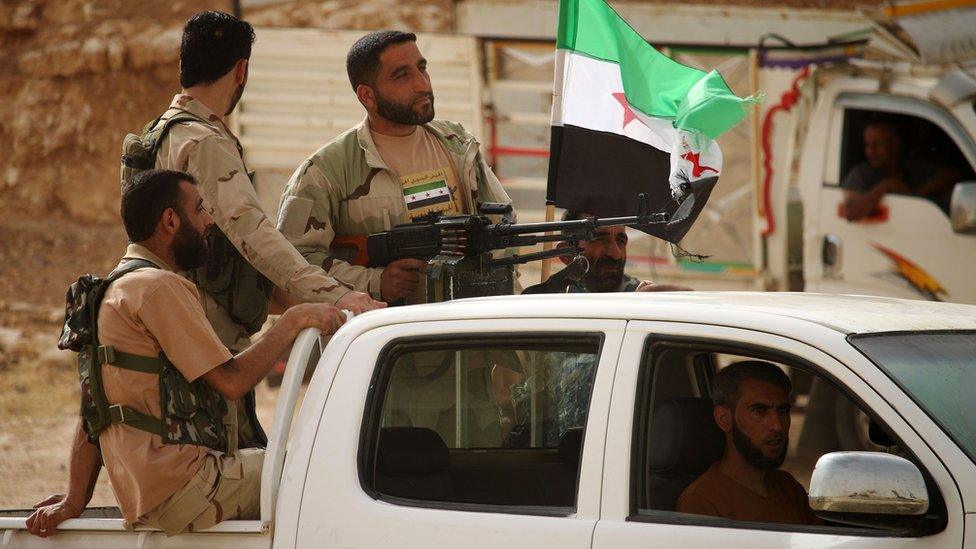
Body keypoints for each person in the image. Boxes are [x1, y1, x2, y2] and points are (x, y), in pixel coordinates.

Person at [26, 170, 347, 538]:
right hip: (188, 487)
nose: (210, 220)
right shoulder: (159, 288)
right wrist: (293, 320)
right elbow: (231, 380)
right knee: (313, 475)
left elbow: (94, 411)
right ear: (170, 220)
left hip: (148, 494)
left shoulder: (113, 291)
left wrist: (74, 500)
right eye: (200, 210)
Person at [145, 11, 382, 353]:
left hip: (169, 321)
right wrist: (338, 295)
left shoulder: (161, 132)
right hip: (202, 339)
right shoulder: (203, 142)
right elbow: (253, 235)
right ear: (241, 70)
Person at [276, 30, 514, 304]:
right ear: (367, 95)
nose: (422, 84)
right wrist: (375, 282)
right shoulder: (326, 171)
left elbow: (503, 231)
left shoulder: (458, 145)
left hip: (461, 327)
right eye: (402, 75)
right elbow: (293, 261)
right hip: (385, 340)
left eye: (422, 68)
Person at [676, 361, 821, 525]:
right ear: (724, 419)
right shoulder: (702, 502)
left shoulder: (788, 487)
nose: (777, 425)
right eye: (759, 410)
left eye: (782, 410)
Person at [522, 210, 692, 294]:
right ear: (566, 255)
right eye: (599, 239)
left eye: (620, 241)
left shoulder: (637, 299)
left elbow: (689, 302)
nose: (615, 254)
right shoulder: (545, 307)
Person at [841, 120, 957, 221]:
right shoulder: (861, 173)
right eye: (867, 145)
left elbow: (951, 175)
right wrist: (886, 186)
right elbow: (851, 212)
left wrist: (917, 195)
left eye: (877, 145)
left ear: (895, 144)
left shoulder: (910, 168)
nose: (871, 151)